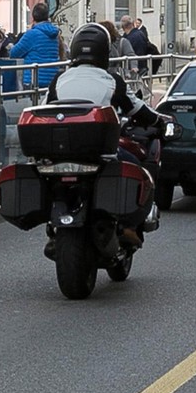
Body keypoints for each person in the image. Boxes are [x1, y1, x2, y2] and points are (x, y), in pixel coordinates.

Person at [47, 22, 164, 246]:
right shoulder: (112, 81)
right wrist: (158, 121)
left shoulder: (59, 80)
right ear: (105, 53)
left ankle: (53, 227)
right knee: (139, 169)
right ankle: (130, 226)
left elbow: (45, 108)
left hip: (61, 151)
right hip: (102, 151)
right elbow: (137, 109)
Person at [6, 2, 64, 91]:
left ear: (33, 17)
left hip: (33, 79)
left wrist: (11, 46)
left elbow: (14, 54)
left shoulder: (31, 34)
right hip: (51, 79)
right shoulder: (55, 34)